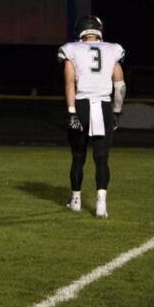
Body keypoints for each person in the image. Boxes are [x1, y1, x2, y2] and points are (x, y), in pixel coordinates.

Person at [58, 15, 126, 219]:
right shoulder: (113, 49)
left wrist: (71, 112)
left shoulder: (71, 49)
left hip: (81, 105)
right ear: (98, 30)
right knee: (102, 159)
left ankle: (76, 200)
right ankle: (101, 205)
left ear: (80, 31)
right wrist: (116, 111)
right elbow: (120, 85)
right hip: (104, 105)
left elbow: (70, 83)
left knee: (78, 157)